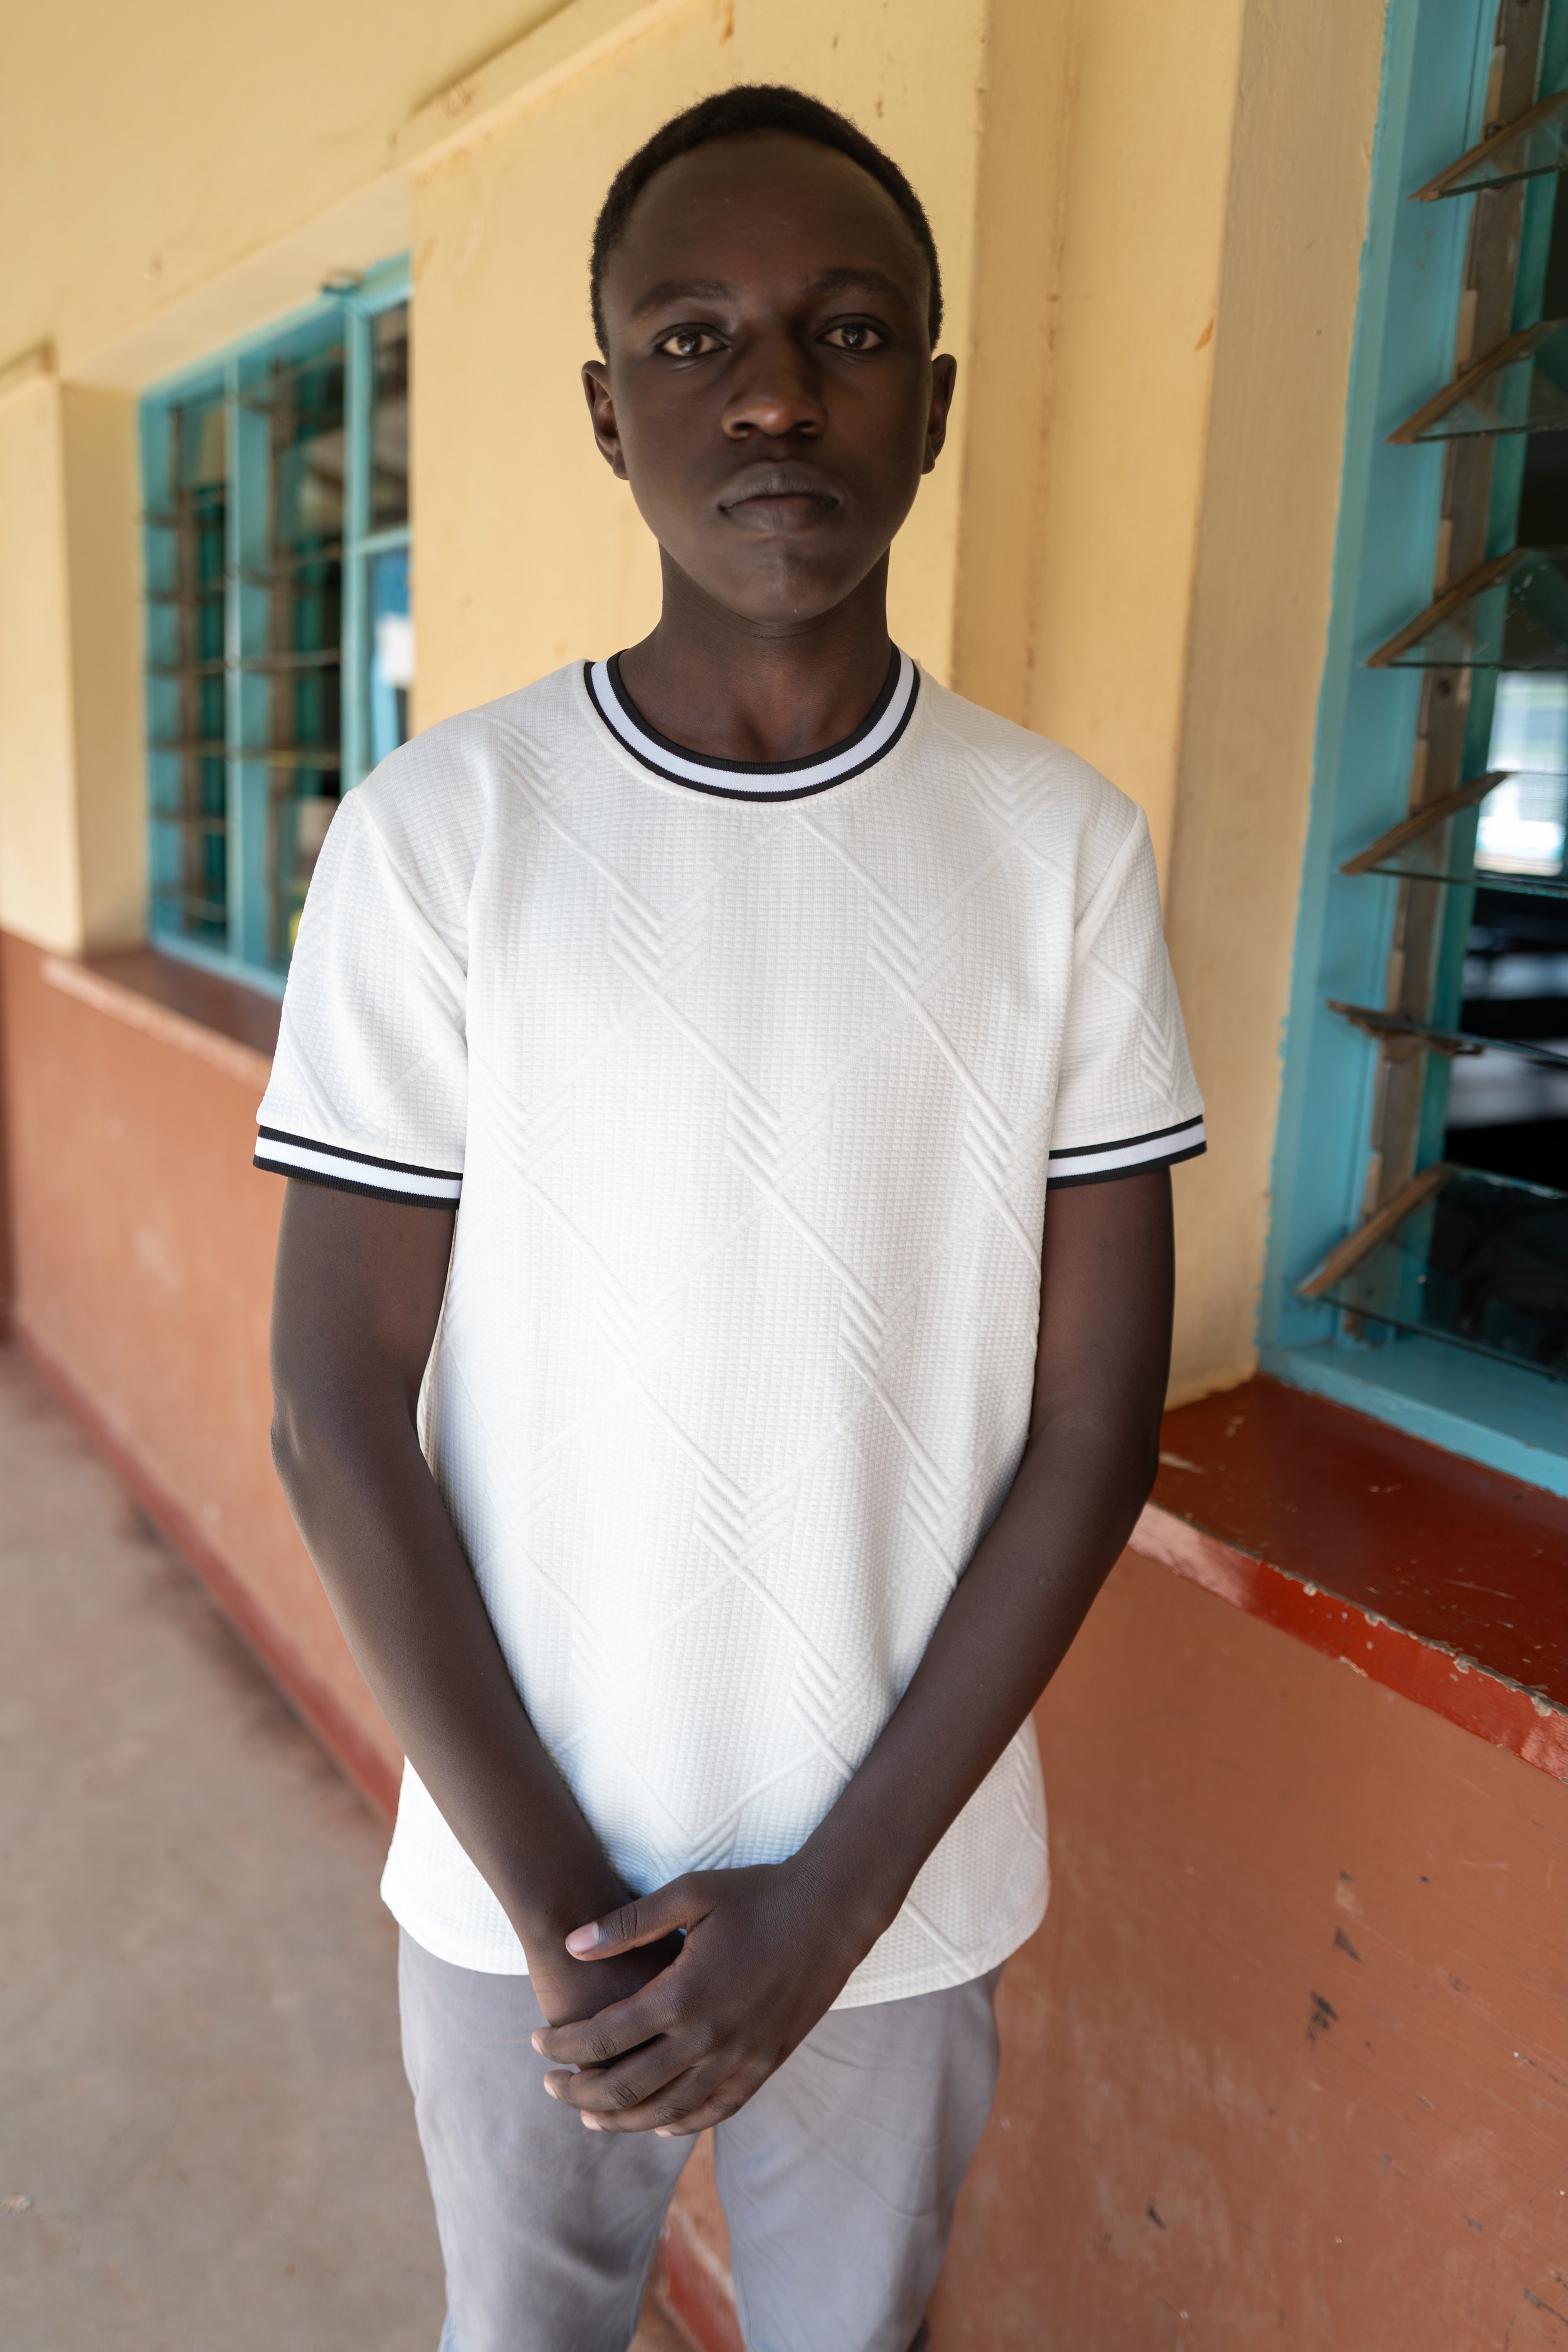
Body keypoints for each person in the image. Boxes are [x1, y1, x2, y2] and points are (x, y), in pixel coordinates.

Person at [260, 82, 1205, 2352]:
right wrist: (565, 1910)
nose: (772, 389)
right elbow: (333, 1401)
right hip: (514, 1900)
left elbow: (1093, 1427)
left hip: (898, 1893)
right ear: (605, 411)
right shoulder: (442, 833)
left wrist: (828, 1916)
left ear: (934, 404)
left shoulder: (1054, 854)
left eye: (846, 331)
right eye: (691, 340)